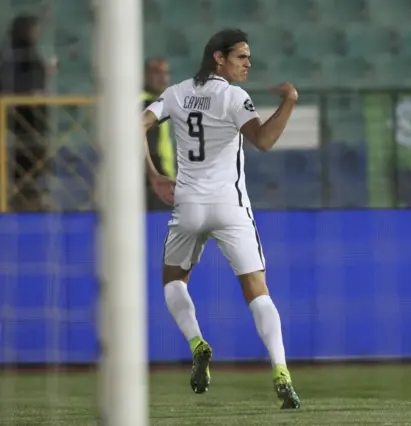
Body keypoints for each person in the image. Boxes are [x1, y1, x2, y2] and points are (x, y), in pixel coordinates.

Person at [141, 28, 301, 409]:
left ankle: (197, 343)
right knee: (257, 289)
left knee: (172, 281)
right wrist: (290, 102)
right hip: (230, 207)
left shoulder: (176, 92)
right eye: (241, 56)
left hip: (188, 204)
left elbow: (138, 124)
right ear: (218, 57)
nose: (248, 63)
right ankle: (281, 371)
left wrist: (153, 175)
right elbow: (263, 140)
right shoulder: (233, 97)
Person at [0, 14, 57, 211]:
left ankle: (23, 201)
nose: (37, 33)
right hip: (23, 122)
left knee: (28, 167)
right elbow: (21, 83)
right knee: (25, 166)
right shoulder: (17, 54)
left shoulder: (17, 53)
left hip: (28, 122)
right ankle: (20, 204)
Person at [141, 57, 175, 211]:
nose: (163, 77)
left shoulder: (158, 101)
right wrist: (154, 174)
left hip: (160, 178)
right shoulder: (144, 104)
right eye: (156, 72)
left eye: (166, 73)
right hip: (152, 182)